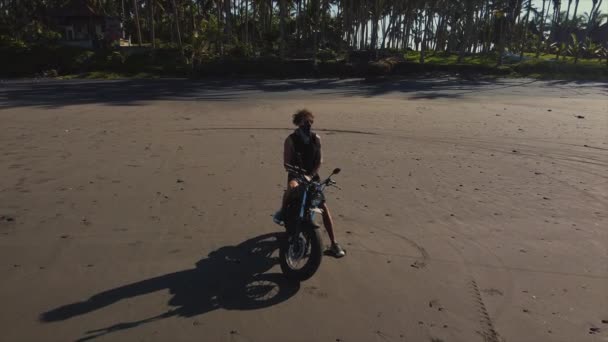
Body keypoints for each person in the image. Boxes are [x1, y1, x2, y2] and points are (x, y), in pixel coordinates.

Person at [273, 109, 346, 258]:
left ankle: (334, 243)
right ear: (298, 122)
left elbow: (319, 160)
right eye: (305, 121)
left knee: (323, 206)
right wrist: (298, 174)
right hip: (296, 174)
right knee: (291, 188)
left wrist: (311, 175)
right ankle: (282, 212)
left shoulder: (316, 138)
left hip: (312, 176)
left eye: (310, 121)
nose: (308, 124)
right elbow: (286, 163)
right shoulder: (290, 140)